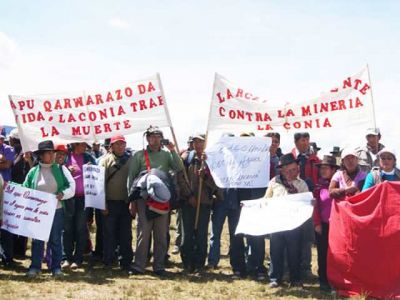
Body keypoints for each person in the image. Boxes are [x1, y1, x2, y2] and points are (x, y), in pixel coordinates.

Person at [127, 126, 182, 276]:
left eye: (158, 136)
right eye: (152, 136)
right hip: (144, 199)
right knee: (143, 233)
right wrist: (131, 202)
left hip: (162, 199)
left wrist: (172, 150)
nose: (155, 139)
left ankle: (159, 266)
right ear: (147, 138)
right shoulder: (138, 155)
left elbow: (178, 167)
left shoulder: (166, 155)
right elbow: (131, 179)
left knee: (161, 234)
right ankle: (139, 265)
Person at [23, 140, 75, 277]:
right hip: (38, 212)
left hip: (56, 210)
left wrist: (63, 194)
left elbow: (71, 186)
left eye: (53, 152)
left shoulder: (61, 169)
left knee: (55, 239)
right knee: (37, 240)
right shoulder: (33, 172)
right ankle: (35, 267)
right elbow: (25, 188)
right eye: (49, 153)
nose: (52, 155)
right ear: (41, 155)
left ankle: (56, 268)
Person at [265, 153, 309, 288]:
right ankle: (274, 279)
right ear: (282, 170)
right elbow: (266, 199)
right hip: (277, 223)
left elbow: (306, 203)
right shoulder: (274, 182)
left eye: (295, 170)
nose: (292, 173)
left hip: (294, 224)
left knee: (294, 252)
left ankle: (295, 280)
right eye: (289, 170)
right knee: (275, 251)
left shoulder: (302, 185)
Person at [180, 134, 221, 273]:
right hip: (188, 203)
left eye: (201, 142)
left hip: (204, 203)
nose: (198, 144)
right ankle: (187, 263)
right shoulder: (186, 158)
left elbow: (217, 184)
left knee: (201, 236)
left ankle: (199, 264)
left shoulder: (212, 160)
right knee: (187, 236)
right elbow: (180, 179)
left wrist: (206, 177)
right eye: (195, 142)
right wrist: (188, 195)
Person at [100, 135, 134, 273]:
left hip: (126, 203)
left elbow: (135, 181)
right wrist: (103, 204)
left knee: (126, 234)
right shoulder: (105, 161)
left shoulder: (131, 160)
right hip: (110, 203)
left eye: (122, 144)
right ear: (111, 146)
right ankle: (108, 261)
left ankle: (125, 262)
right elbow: (99, 184)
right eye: (117, 144)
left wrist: (133, 203)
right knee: (109, 234)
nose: (120, 146)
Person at [291, 132, 320, 278]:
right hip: (291, 202)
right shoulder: (289, 158)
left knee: (306, 236)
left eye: (307, 139)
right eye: (303, 140)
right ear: (296, 142)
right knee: (290, 235)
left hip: (309, 202)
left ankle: (306, 268)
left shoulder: (315, 159)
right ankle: (289, 267)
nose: (306, 142)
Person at [63, 142, 96, 269]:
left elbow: (97, 172)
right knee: (67, 229)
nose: (85, 148)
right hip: (68, 198)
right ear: (76, 145)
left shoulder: (89, 157)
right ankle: (66, 258)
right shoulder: (66, 157)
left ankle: (78, 258)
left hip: (83, 198)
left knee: (81, 229)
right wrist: (67, 170)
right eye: (83, 145)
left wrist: (91, 168)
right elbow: (59, 173)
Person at [313, 155, 340, 291]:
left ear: (333, 170)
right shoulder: (318, 186)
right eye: (321, 168)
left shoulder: (340, 185)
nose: (322, 171)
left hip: (338, 227)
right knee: (322, 253)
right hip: (323, 225)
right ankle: (323, 280)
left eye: (325, 168)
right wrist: (317, 223)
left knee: (337, 254)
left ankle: (336, 281)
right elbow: (315, 206)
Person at [0, 134, 15, 267]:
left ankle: (7, 257)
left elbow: (7, 165)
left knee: (6, 223)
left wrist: (4, 161)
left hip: (5, 190)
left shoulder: (9, 149)